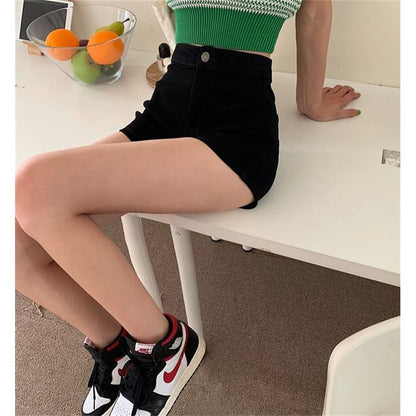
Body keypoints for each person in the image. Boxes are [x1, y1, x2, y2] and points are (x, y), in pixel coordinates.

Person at [15, 0, 361, 414]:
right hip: (168, 105)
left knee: (34, 186)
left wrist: (310, 102)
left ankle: (163, 346)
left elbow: (317, 11)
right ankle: (116, 349)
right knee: (15, 238)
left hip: (236, 128)